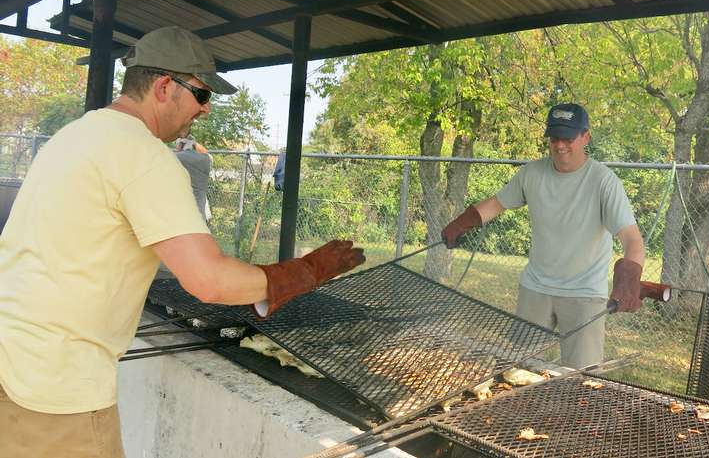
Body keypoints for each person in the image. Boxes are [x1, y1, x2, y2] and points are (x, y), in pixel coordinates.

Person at [0, 26, 365, 458]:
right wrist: (304, 272)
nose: (205, 110)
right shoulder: (143, 155)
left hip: (13, 358)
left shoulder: (75, 136)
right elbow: (208, 280)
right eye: (202, 95)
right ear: (164, 87)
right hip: (57, 384)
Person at [441, 103, 645, 369]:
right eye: (555, 137)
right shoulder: (532, 173)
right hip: (535, 289)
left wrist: (629, 277)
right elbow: (497, 204)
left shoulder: (604, 182)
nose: (560, 145)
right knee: (519, 370)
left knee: (581, 378)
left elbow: (632, 240)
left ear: (586, 136)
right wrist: (460, 224)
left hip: (584, 294)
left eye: (568, 138)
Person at [174, 134, 212, 221]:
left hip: (182, 208)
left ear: (181, 145)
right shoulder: (206, 159)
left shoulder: (176, 158)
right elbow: (205, 152)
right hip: (201, 208)